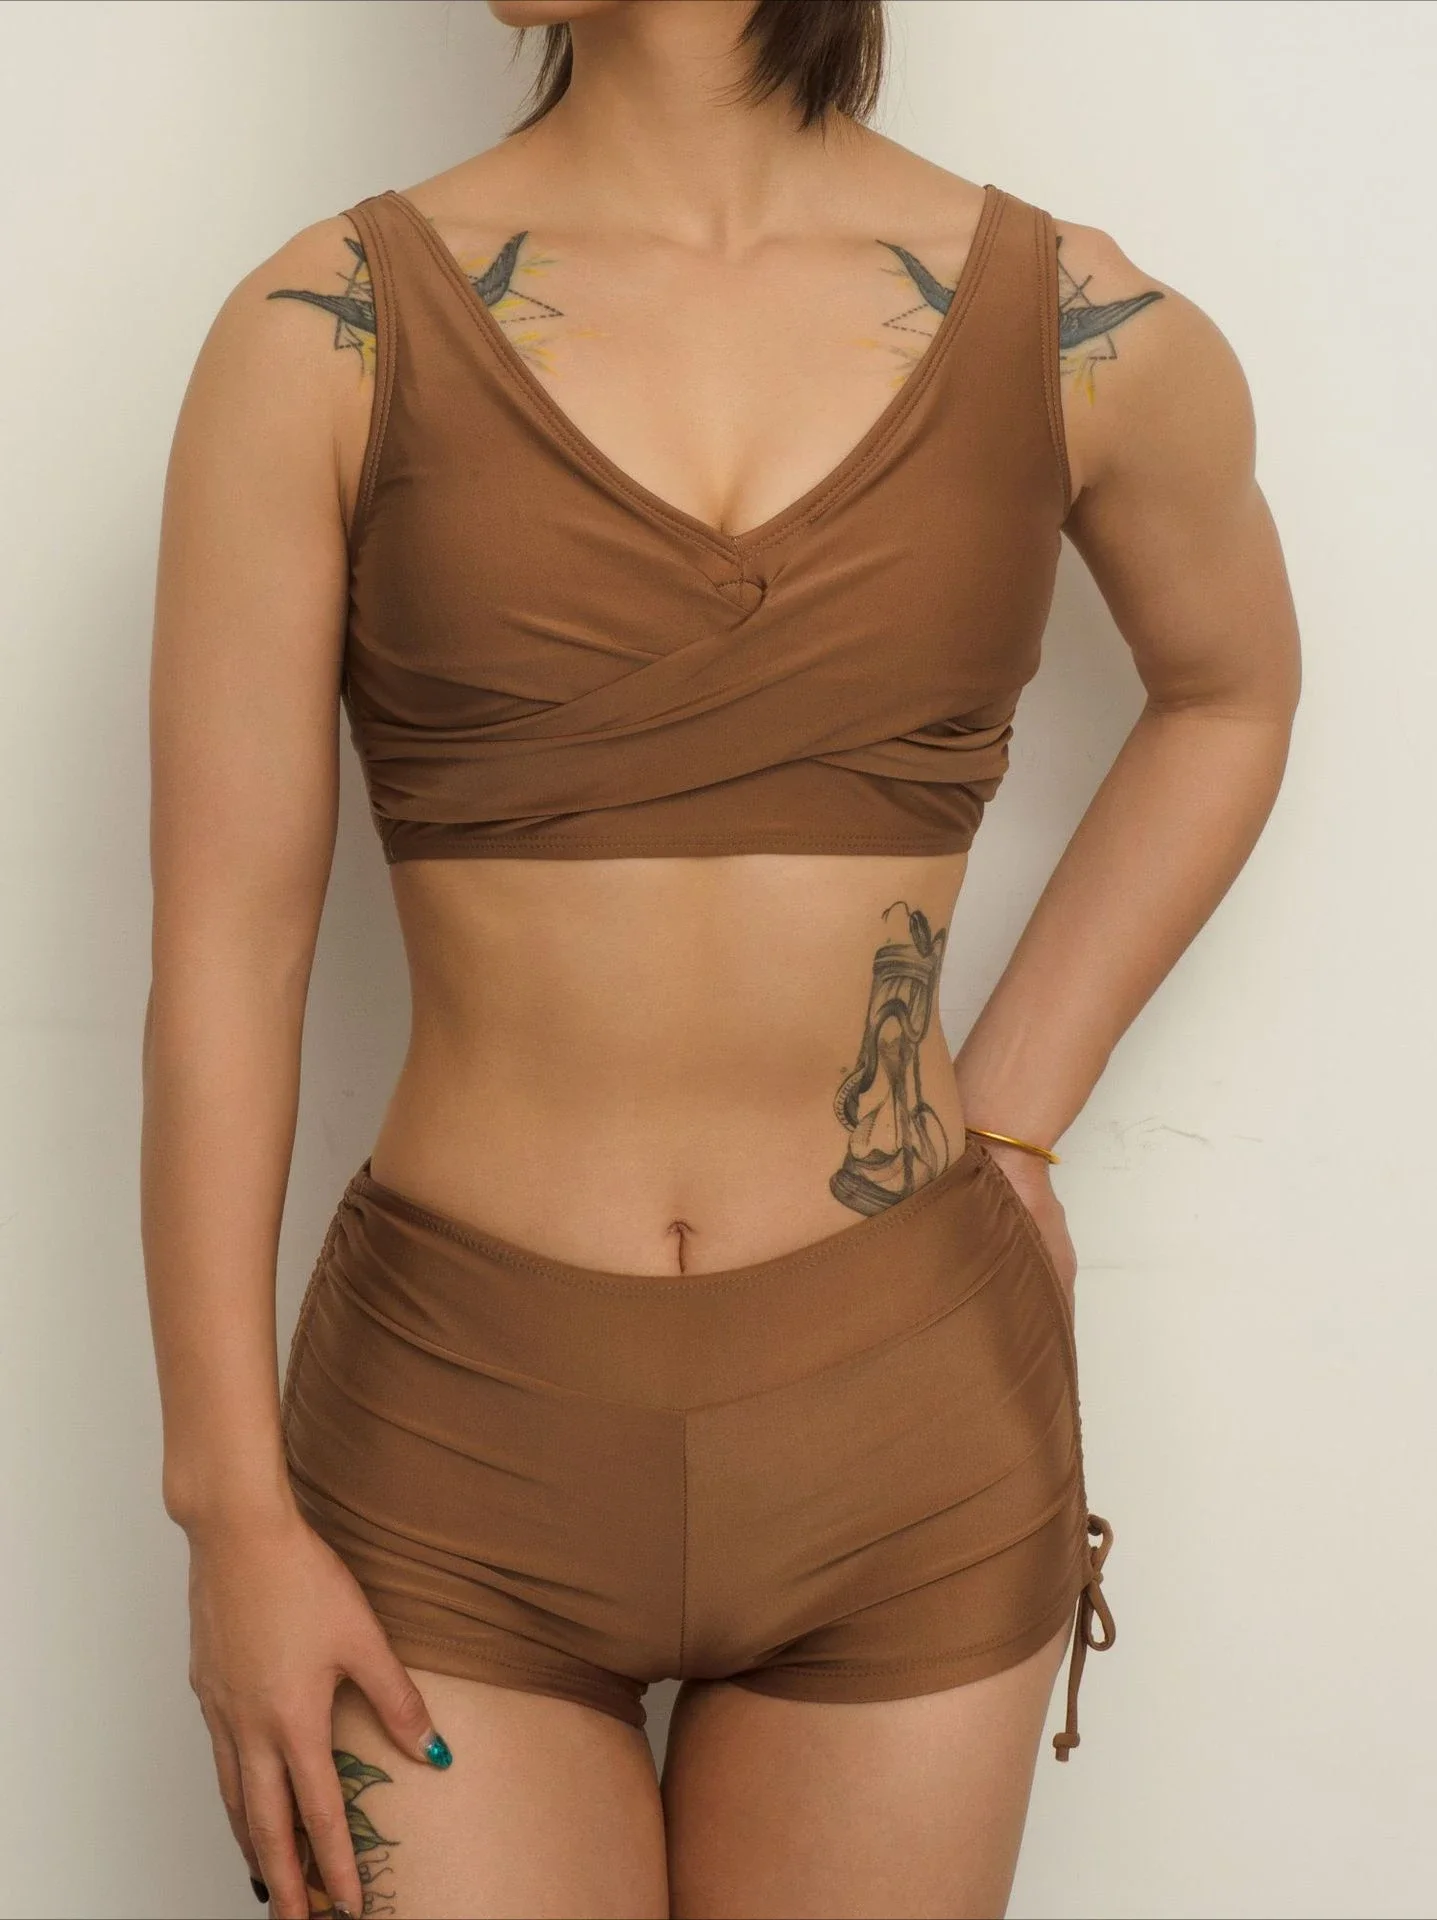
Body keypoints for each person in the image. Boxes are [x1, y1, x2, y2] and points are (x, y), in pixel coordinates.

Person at [139, 2, 1301, 1915]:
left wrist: (1014, 1114)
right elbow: (225, 955)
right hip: (451, 1439)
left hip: (912, 1429)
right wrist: (228, 1515)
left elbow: (1233, 694)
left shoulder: (1083, 329)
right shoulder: (320, 332)